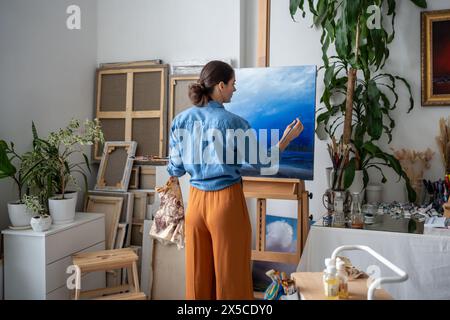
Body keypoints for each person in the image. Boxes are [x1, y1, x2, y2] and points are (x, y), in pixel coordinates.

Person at [167, 60, 304, 300]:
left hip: (195, 204)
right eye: (232, 84)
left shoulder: (181, 121)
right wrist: (285, 140)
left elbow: (175, 169)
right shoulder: (234, 123)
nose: (234, 89)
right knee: (231, 278)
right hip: (226, 203)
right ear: (220, 85)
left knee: (198, 278)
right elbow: (264, 163)